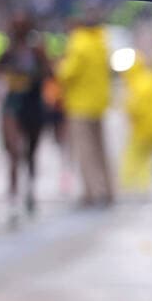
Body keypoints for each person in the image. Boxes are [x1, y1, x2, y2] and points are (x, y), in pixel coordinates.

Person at [0, 15, 51, 222]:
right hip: (13, 107)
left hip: (32, 105)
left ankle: (30, 192)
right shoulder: (8, 52)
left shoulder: (37, 51)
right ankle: (13, 200)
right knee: (14, 155)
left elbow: (49, 73)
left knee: (31, 154)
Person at [55, 16, 115, 207]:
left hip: (80, 105)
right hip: (99, 103)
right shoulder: (101, 41)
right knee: (101, 150)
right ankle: (108, 189)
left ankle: (92, 193)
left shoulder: (79, 43)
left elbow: (68, 73)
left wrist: (59, 66)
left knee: (86, 152)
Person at [119, 48, 152, 194]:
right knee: (146, 161)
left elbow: (135, 107)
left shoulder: (137, 84)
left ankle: (128, 187)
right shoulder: (151, 78)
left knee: (131, 158)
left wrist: (125, 106)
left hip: (141, 129)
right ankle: (144, 186)